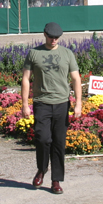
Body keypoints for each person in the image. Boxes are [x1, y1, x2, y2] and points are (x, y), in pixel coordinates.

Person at [21, 22, 82, 194]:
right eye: (51, 37)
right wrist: (25, 104)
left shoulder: (67, 54)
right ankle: (42, 169)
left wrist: (78, 103)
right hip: (41, 103)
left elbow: (76, 79)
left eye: (57, 37)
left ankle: (56, 180)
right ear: (45, 35)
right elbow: (26, 79)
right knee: (42, 138)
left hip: (62, 103)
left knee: (58, 142)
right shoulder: (34, 53)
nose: (54, 40)